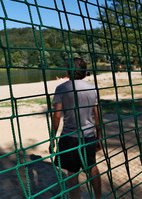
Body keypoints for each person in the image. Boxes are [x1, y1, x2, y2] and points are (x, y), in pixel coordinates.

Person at [48, 58, 102, 199]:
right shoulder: (92, 88)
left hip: (69, 137)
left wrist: (53, 137)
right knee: (92, 168)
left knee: (72, 173)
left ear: (69, 71)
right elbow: (97, 114)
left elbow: (57, 116)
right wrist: (99, 137)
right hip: (89, 136)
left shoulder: (62, 88)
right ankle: (98, 197)